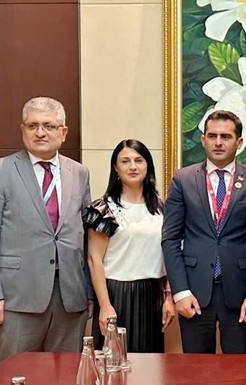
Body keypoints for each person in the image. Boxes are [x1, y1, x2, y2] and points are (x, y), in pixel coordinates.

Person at [0, 96, 92, 362]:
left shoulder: (79, 173)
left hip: (70, 299)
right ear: (22, 130)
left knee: (66, 376)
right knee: (15, 376)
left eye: (48, 125)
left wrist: (89, 293)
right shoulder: (0, 171)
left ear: (63, 132)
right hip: (17, 299)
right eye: (32, 125)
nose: (40, 132)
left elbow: (86, 238)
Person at [162, 110, 246, 354]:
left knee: (238, 373)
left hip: (240, 294)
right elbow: (170, 239)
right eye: (212, 136)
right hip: (193, 292)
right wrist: (179, 292)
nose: (219, 142)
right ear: (203, 140)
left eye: (226, 136)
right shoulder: (184, 179)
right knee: (197, 373)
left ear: (239, 142)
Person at [83, 139, 175, 352]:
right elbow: (94, 260)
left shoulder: (162, 208)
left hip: (152, 295)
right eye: (125, 161)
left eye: (138, 160)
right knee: (115, 365)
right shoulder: (104, 209)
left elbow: (170, 253)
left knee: (151, 368)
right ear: (116, 168)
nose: (132, 167)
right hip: (117, 294)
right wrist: (105, 306)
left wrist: (168, 296)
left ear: (148, 166)